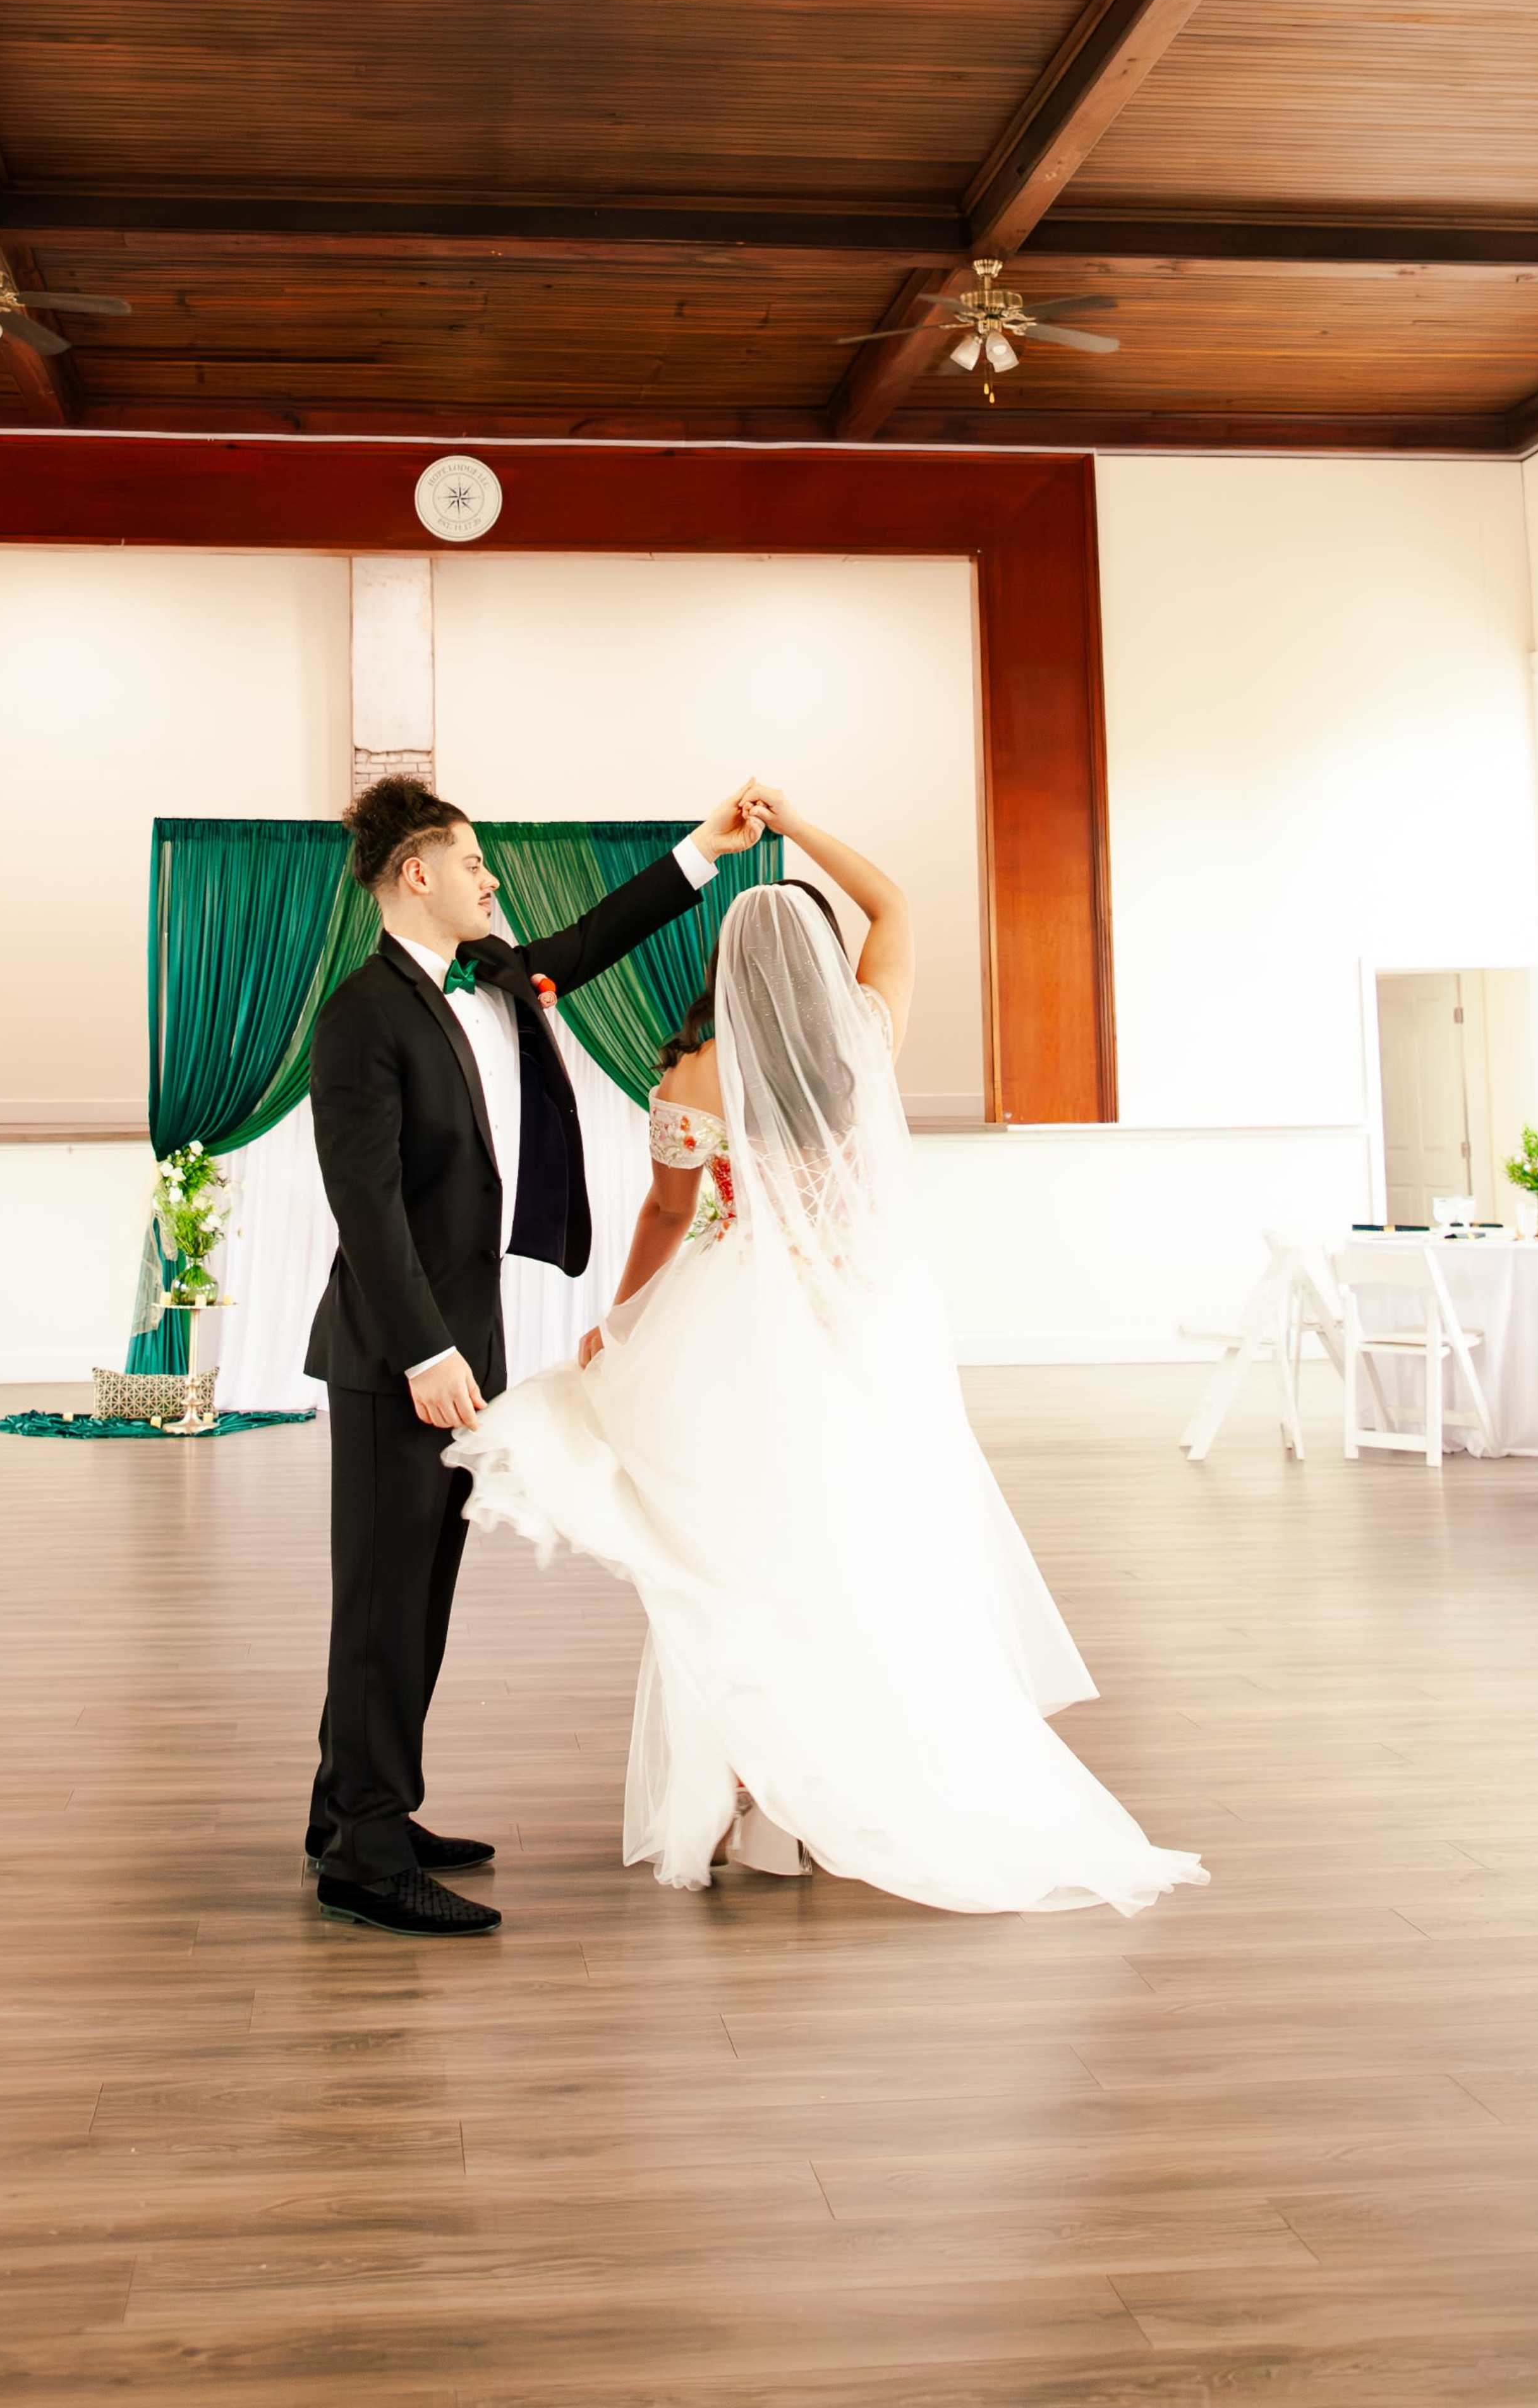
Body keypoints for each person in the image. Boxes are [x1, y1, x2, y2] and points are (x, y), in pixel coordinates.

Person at [447, 790, 1204, 1918]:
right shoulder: (867, 1040)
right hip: (854, 1328)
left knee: (737, 1561)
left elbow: (665, 1217)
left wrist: (622, 1317)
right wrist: (796, 825)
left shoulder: (687, 1082)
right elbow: (894, 902)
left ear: (731, 977)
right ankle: (839, 1781)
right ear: (820, 966)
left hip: (731, 1330)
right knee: (851, 1550)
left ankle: (764, 1794)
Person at [304, 775, 766, 1939]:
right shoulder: (364, 1012)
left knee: (419, 1593)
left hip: (466, 1337)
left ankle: (359, 1811)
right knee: (382, 1600)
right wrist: (423, 1351)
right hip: (398, 1352)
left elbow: (591, 938)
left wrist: (703, 851)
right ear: (418, 872)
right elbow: (362, 1203)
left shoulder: (496, 976)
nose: (492, 879)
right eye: (474, 863)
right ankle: (364, 1858)